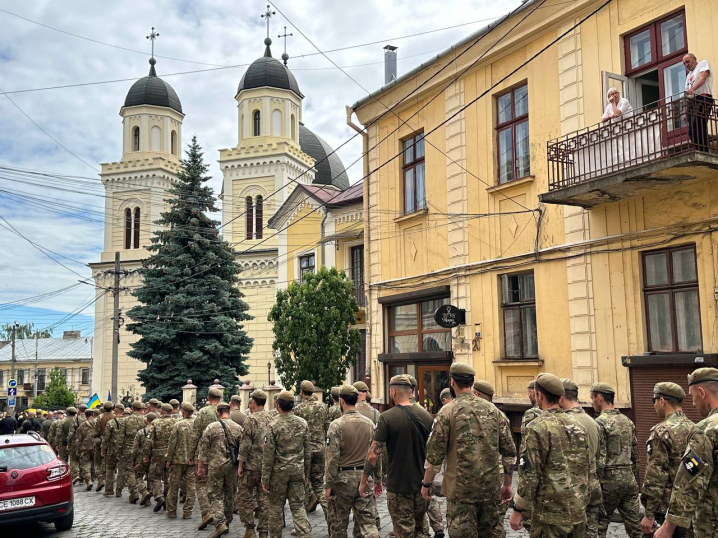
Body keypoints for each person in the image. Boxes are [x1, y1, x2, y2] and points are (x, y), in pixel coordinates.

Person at [424, 365, 516, 538]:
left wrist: (426, 484)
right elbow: (509, 453)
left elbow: (434, 454)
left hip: (460, 494)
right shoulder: (495, 412)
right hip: (489, 490)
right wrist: (507, 483)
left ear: (452, 382)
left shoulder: (447, 411)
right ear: (472, 383)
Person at [510, 373, 590, 537]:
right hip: (577, 511)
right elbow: (585, 468)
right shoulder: (578, 427)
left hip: (550, 516)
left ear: (539, 395)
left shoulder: (537, 427)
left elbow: (529, 473)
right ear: (561, 398)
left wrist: (518, 509)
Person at [360, 374, 434, 538]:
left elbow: (373, 454)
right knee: (421, 530)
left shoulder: (387, 417)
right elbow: (435, 452)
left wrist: (364, 480)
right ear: (410, 392)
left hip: (399, 486)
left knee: (403, 531)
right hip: (422, 484)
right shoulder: (427, 416)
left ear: (393, 391)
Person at [656, 368, 718, 538]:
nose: (692, 403)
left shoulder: (705, 430)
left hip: (712, 525)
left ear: (702, 392)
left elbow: (690, 480)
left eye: (692, 396)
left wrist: (668, 527)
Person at [639, 382, 694, 537]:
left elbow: (655, 476)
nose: (654, 405)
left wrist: (649, 514)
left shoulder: (661, 432)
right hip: (688, 505)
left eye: (653, 401)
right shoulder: (695, 428)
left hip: (666, 510)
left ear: (662, 401)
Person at [325, 384, 380, 538]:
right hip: (364, 477)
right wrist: (378, 479)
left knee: (338, 524)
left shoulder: (336, 425)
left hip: (342, 480)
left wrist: (328, 485)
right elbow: (376, 453)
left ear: (341, 401)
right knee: (367, 521)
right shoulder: (370, 424)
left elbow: (332, 458)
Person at [590, 382, 642, 538]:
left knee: (599, 525)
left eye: (592, 398)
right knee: (635, 527)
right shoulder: (627, 421)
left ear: (599, 398)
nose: (591, 402)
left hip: (609, 480)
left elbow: (600, 457)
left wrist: (595, 484)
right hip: (629, 478)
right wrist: (633, 477)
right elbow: (635, 455)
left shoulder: (599, 423)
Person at [261, 390, 312, 538]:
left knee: (276, 508)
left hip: (278, 473)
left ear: (277, 405)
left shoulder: (273, 425)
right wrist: (306, 473)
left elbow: (268, 455)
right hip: (297, 471)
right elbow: (308, 451)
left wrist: (265, 479)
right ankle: (305, 534)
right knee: (298, 507)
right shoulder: (302, 423)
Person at [472, 380, 517, 538]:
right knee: (494, 522)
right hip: (495, 475)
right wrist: (507, 482)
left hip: (471, 476)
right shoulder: (500, 416)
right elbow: (509, 453)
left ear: (476, 394)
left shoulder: (466, 414)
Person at [560, 378, 603, 538]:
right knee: (591, 531)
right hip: (592, 482)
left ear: (561, 398)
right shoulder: (592, 421)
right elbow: (599, 455)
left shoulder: (566, 422)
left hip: (574, 487)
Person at [198, 401, 240, 538]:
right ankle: (227, 521)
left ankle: (220, 522)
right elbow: (243, 450)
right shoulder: (238, 428)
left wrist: (200, 466)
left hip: (215, 466)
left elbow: (203, 448)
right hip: (232, 466)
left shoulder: (211, 427)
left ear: (218, 413)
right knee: (230, 494)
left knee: (215, 494)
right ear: (229, 411)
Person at [238, 389, 272, 538]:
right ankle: (264, 530)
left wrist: (240, 464)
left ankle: (250, 528)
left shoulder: (250, 419)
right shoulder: (271, 418)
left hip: (251, 466)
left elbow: (245, 445)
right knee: (264, 498)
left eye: (251, 401)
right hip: (266, 466)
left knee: (245, 496)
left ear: (254, 402)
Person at [353, 381, 383, 534]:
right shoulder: (375, 413)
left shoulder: (344, 411)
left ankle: (359, 530)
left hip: (349, 465)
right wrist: (379, 477)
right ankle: (375, 525)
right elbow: (378, 446)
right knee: (369, 501)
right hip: (369, 464)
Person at [293, 380, 327, 515]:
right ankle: (331, 516)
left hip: (304, 451)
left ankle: (303, 521)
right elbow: (327, 426)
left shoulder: (298, 410)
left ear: (301, 392)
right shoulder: (323, 407)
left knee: (304, 483)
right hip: (320, 448)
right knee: (319, 483)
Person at [193, 388, 222, 530]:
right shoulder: (224, 410)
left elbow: (196, 434)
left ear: (208, 397)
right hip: (221, 455)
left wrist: (192, 454)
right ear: (220, 398)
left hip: (204, 455)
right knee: (218, 487)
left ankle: (207, 512)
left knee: (201, 484)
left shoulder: (203, 412)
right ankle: (221, 517)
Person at [166, 401, 197, 519]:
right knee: (191, 488)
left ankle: (172, 511)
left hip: (178, 460)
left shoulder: (178, 424)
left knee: (173, 486)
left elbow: (172, 443)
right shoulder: (197, 424)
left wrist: (169, 459)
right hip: (192, 461)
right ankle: (187, 512)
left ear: (183, 411)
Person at [144, 402, 176, 511]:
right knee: (168, 477)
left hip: (158, 453)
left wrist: (146, 454)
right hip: (172, 453)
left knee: (155, 476)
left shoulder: (156, 422)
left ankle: (158, 496)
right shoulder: (176, 422)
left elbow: (149, 440)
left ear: (162, 411)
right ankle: (167, 499)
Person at [683, 53, 714, 150]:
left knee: (698, 123)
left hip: (703, 97)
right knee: (691, 129)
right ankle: (697, 148)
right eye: (684, 63)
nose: (686, 65)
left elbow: (702, 79)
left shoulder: (703, 64)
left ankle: (703, 149)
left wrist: (692, 89)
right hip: (693, 101)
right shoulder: (688, 76)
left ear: (694, 59)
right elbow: (688, 94)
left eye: (687, 61)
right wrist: (687, 110)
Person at [118, 401, 147, 504]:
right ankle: (144, 491)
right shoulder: (145, 420)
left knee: (129, 472)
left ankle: (134, 493)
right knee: (140, 473)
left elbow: (121, 436)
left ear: (132, 409)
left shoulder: (126, 420)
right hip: (142, 449)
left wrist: (119, 449)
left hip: (128, 449)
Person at [102, 403, 125, 497]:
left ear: (115, 411)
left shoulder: (111, 422)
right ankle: (119, 490)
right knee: (122, 470)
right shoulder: (127, 421)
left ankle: (109, 489)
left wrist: (103, 449)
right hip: (123, 449)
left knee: (110, 469)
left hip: (111, 449)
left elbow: (106, 437)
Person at [136, 412, 157, 506]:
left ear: (146, 420)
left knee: (138, 476)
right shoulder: (157, 431)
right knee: (150, 477)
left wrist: (134, 459)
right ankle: (149, 493)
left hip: (142, 456)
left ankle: (144, 492)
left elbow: (135, 447)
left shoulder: (141, 432)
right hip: (153, 457)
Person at [74, 408, 97, 490]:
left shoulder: (82, 425)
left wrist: (77, 449)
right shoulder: (97, 423)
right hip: (95, 446)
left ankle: (88, 480)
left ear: (86, 415)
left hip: (85, 447)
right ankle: (94, 476)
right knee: (94, 463)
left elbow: (78, 439)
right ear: (93, 415)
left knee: (85, 464)